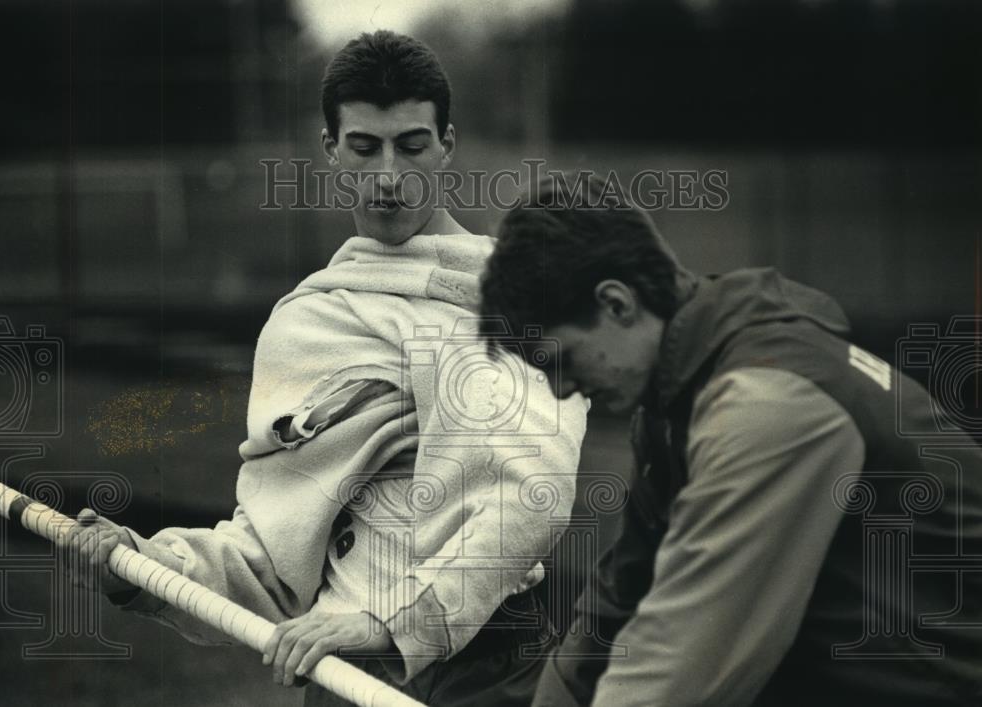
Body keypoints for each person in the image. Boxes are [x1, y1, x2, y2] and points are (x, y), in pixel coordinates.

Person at [64, 31, 587, 706]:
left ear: (447, 146)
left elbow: (528, 493)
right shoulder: (304, 323)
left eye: (412, 145)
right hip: (342, 673)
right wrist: (143, 564)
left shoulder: (511, 293)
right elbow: (268, 564)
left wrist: (392, 625)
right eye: (365, 148)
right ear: (331, 151)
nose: (389, 177)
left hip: (488, 669)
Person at [479, 174, 982, 706]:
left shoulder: (767, 404)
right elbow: (617, 607)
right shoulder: (678, 404)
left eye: (559, 360)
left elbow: (684, 654)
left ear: (617, 304)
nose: (560, 390)